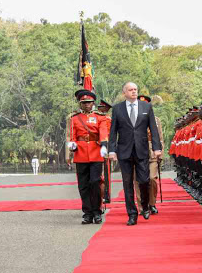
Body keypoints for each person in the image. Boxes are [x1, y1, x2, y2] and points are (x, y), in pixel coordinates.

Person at [108, 82, 162, 226]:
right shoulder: (117, 109)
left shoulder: (146, 107)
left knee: (144, 180)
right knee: (127, 184)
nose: (134, 92)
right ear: (124, 92)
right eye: (130, 90)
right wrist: (111, 150)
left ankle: (145, 206)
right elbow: (113, 131)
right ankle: (132, 214)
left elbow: (153, 129)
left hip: (142, 149)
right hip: (124, 151)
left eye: (135, 89)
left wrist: (157, 147)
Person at [66, 90, 109, 224]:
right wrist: (71, 145)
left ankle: (97, 211)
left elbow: (103, 131)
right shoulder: (74, 118)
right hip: (81, 153)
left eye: (89, 102)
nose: (87, 105)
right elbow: (70, 134)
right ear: (80, 103)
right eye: (84, 103)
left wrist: (104, 145)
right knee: (83, 185)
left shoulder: (100, 117)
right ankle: (87, 213)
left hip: (96, 152)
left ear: (93, 103)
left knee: (95, 182)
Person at [134, 95, 164, 215]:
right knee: (138, 181)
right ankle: (142, 206)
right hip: (137, 152)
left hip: (152, 153)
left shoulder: (156, 120)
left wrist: (160, 153)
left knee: (152, 179)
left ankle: (152, 203)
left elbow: (160, 138)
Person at [97, 100, 113, 205]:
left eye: (102, 108)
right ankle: (100, 194)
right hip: (96, 147)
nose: (99, 109)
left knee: (106, 173)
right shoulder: (97, 117)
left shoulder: (107, 119)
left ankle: (106, 194)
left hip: (105, 147)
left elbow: (110, 135)